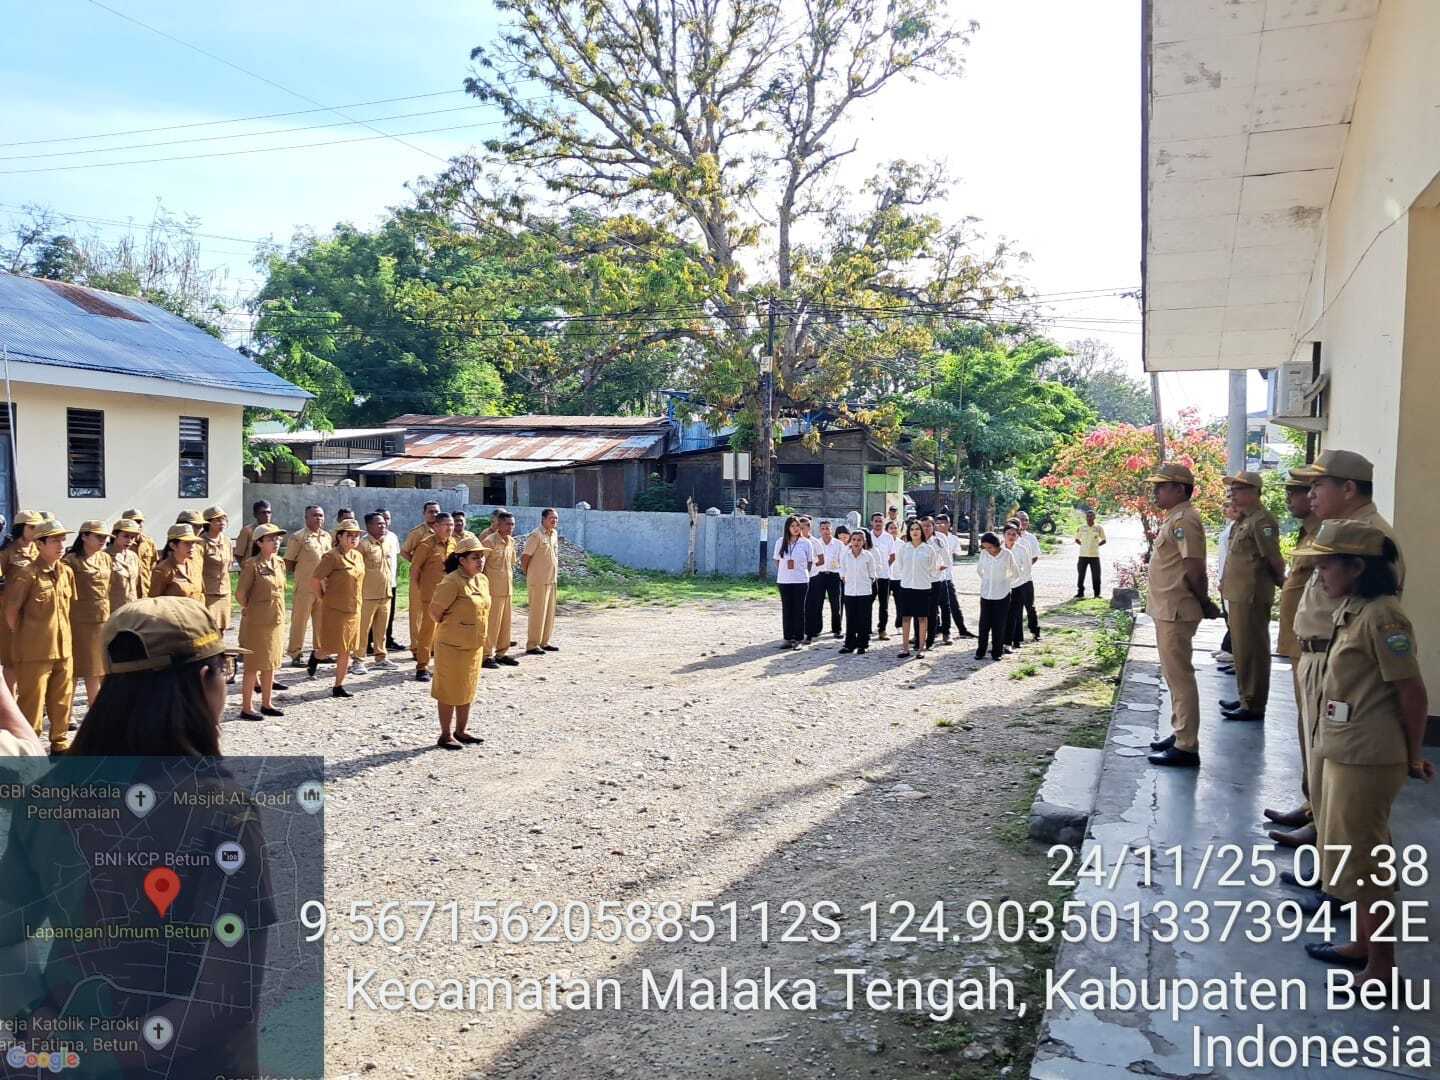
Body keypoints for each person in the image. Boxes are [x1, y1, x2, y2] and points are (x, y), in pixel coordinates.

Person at [0, 598, 273, 1077]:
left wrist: (38, 1027)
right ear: (205, 679)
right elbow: (225, 999)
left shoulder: (48, 795)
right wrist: (100, 1057)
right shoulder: (224, 813)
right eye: (224, 670)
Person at [1290, 520, 1432, 988]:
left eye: (1328, 564)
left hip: (1368, 755)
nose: (1320, 573)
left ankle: (1382, 968)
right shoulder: (1353, 608)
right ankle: (1362, 943)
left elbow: (1412, 693)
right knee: (1352, 855)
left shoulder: (1384, 617)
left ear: (1357, 567)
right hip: (1344, 746)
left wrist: (1412, 756)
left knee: (1367, 862)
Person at [1271, 449, 1406, 851]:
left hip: (1341, 663)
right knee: (1320, 758)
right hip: (1317, 658)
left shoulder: (1371, 538)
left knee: (1347, 784)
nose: (1310, 494)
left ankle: (1344, 865)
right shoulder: (1337, 529)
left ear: (1348, 489)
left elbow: (1378, 608)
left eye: (1319, 485)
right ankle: (1320, 829)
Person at [1263, 475, 1326, 834]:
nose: (1293, 498)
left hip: (1318, 649)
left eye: (1297, 492)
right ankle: (1311, 804)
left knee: (1317, 732)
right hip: (1302, 646)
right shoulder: (1311, 532)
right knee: (1307, 729)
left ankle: (1320, 815)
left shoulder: (1332, 534)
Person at [1143, 463, 1212, 769]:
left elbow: (1195, 569)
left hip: (1177, 608)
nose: (1156, 492)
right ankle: (1180, 731)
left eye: (1162, 486)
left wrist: (1204, 601)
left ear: (1180, 489)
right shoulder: (1174, 518)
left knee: (1180, 676)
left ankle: (1186, 745)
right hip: (1168, 608)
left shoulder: (1185, 520)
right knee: (1173, 676)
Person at [1217, 472, 1286, 723]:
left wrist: (1281, 583)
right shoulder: (1244, 520)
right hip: (1238, 593)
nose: (1232, 494)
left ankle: (1254, 703)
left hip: (1252, 594)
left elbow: (1273, 558)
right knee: (1241, 649)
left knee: (1253, 650)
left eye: (1238, 490)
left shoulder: (1261, 521)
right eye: (1232, 490)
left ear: (1254, 492)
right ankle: (1246, 696)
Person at [4, 519, 76, 752]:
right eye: (55, 541)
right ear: (40, 544)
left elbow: (68, 608)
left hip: (63, 648)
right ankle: (30, 747)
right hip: (34, 651)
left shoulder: (66, 572)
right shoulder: (27, 574)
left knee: (62, 699)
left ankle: (60, 743)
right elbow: (11, 612)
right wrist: (26, 638)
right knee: (32, 703)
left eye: (63, 540)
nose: (61, 545)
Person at [429, 534, 491, 749]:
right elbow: (435, 612)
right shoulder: (452, 581)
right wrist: (456, 626)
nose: (480, 561)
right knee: (449, 689)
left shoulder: (482, 580)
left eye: (482, 557)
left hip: (473, 644)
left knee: (467, 687)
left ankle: (461, 731)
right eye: (475, 557)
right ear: (462, 560)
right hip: (452, 645)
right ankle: (445, 735)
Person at [235, 522, 288, 720]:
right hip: (257, 622)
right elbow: (240, 594)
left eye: (277, 538)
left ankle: (267, 703)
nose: (276, 542)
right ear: (259, 543)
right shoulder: (252, 565)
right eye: (271, 539)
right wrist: (252, 608)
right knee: (253, 665)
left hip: (276, 619)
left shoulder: (279, 562)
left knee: (271, 663)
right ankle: (247, 707)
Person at [310, 520, 364, 696]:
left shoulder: (358, 556)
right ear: (339, 536)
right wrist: (322, 597)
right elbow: (315, 580)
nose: (354, 538)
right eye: (350, 535)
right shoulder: (331, 557)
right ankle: (316, 656)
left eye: (356, 535)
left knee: (346, 649)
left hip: (354, 608)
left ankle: (338, 686)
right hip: (335, 609)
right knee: (331, 647)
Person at [63, 520, 113, 709]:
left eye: (105, 537)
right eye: (98, 536)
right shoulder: (70, 561)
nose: (103, 540)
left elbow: (107, 588)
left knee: (100, 668)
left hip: (103, 619)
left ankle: (98, 710)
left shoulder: (105, 558)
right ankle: (84, 713)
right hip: (79, 621)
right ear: (84, 536)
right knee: (82, 670)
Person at [0, 510, 43, 693]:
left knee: (34, 659)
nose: (36, 530)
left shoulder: (40, 549)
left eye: (39, 527)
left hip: (36, 612)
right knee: (11, 660)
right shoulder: (7, 552)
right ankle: (12, 701)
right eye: (32, 527)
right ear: (20, 528)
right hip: (11, 612)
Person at [284, 505, 333, 668]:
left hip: (323, 587)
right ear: (306, 518)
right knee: (300, 621)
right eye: (314, 515)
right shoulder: (298, 537)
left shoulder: (327, 536)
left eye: (321, 515)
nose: (318, 518)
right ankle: (295, 653)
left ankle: (320, 652)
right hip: (305, 586)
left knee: (322, 621)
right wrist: (302, 575)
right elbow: (289, 562)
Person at [410, 514, 456, 681]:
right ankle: (422, 666)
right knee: (428, 631)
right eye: (446, 525)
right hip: (431, 595)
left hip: (449, 595)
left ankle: (441, 665)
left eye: (451, 525)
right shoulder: (426, 545)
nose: (450, 528)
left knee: (446, 631)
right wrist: (419, 589)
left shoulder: (453, 543)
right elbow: (415, 569)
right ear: (436, 526)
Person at [358, 513, 398, 671]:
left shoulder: (387, 542)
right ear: (369, 526)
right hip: (367, 595)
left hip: (385, 593)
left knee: (382, 629)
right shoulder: (362, 545)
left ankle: (381, 657)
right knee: (363, 629)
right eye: (379, 524)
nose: (383, 526)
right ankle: (358, 659)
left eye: (384, 523)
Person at [895, 519, 939, 660]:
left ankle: (921, 648)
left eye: (917, 529)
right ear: (909, 532)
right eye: (912, 529)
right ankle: (905, 648)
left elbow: (933, 569)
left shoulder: (929, 549)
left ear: (922, 531)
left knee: (922, 618)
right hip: (906, 587)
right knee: (906, 618)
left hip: (923, 587)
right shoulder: (904, 548)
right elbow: (900, 566)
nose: (915, 531)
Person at [481, 510, 519, 669]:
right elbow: (480, 565)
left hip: (507, 589)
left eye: (513, 524)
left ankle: (501, 653)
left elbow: (511, 563)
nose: (511, 527)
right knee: (492, 624)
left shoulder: (511, 542)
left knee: (505, 624)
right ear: (499, 524)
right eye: (508, 524)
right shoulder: (489, 541)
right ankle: (486, 655)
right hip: (493, 590)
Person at [401, 501, 442, 648]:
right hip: (419, 578)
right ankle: (416, 646)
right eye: (431, 511)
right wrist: (419, 563)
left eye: (436, 511)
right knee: (417, 611)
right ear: (424, 513)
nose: (434, 514)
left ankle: (432, 645)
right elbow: (404, 551)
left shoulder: (442, 531)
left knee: (435, 610)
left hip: (436, 579)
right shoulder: (417, 532)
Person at [522, 508, 561, 656]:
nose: (554, 520)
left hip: (551, 579)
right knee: (537, 613)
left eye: (556, 518)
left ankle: (544, 642)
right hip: (538, 580)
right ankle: (532, 644)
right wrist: (530, 573)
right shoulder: (536, 535)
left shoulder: (554, 534)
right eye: (551, 518)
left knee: (549, 613)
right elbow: (525, 557)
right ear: (543, 519)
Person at [200, 507, 235, 671]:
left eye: (223, 519)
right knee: (207, 630)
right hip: (208, 592)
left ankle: (218, 661)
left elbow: (229, 564)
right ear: (208, 523)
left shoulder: (226, 541)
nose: (221, 523)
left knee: (221, 629)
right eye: (217, 520)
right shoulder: (201, 542)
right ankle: (205, 660)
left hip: (224, 591)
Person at [975, 530, 1018, 661]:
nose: (988, 550)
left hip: (1002, 595)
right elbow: (979, 570)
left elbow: (1015, 573)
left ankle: (997, 652)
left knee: (999, 625)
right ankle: (980, 651)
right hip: (986, 594)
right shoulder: (984, 554)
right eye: (985, 547)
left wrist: (1004, 582)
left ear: (996, 544)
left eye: (990, 547)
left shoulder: (1007, 554)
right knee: (984, 625)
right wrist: (987, 580)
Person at [933, 514, 974, 641]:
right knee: (933, 606)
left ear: (949, 524)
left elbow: (956, 553)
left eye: (943, 523)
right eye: (938, 523)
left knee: (952, 604)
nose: (941, 525)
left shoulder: (953, 538)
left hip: (947, 576)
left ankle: (961, 629)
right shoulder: (932, 538)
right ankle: (935, 629)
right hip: (934, 577)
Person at [773, 516, 811, 649]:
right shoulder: (780, 542)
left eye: (797, 526)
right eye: (792, 526)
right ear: (787, 528)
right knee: (787, 609)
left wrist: (800, 572)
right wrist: (785, 572)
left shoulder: (806, 543)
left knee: (799, 609)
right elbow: (777, 560)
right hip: (784, 580)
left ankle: (799, 639)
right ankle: (787, 638)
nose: (795, 528)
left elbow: (810, 562)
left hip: (801, 580)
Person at [838, 527, 877, 654]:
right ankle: (849, 644)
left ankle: (862, 644)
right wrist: (843, 577)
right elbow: (842, 569)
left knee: (863, 618)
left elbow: (872, 573)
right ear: (850, 541)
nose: (856, 542)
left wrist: (867, 582)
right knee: (850, 618)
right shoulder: (846, 555)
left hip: (864, 592)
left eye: (859, 540)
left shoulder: (868, 556)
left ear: (864, 541)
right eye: (854, 539)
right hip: (849, 591)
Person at [806, 519, 844, 641]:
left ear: (831, 529)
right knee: (818, 603)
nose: (825, 531)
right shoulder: (816, 543)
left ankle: (837, 629)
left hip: (834, 575)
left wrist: (841, 574)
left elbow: (843, 561)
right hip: (819, 575)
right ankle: (817, 629)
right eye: (823, 528)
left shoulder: (838, 544)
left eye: (827, 528)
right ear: (819, 530)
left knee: (836, 604)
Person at [1214, 498, 1240, 671]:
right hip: (1225, 577)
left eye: (1228, 506)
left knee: (1235, 618)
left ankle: (1233, 651)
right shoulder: (1231, 526)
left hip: (1232, 579)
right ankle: (1229, 648)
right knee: (1229, 615)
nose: (1225, 509)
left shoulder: (1239, 527)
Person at [149, 523, 203, 599]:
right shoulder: (162, 570)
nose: (192, 546)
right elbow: (154, 600)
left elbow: (201, 594)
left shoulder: (194, 566)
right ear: (173, 546)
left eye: (193, 542)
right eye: (186, 543)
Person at [377, 508, 404, 652]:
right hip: (375, 584)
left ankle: (388, 639)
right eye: (382, 519)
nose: (385, 522)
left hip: (391, 582)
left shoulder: (393, 537)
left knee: (389, 613)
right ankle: (369, 643)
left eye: (387, 518)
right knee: (373, 615)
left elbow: (396, 557)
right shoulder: (366, 540)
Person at [1014, 512, 1042, 641]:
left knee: (1030, 606)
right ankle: (1017, 637)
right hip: (1012, 580)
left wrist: (1026, 567)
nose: (1024, 522)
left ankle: (1035, 631)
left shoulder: (1031, 538)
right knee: (1015, 608)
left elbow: (1035, 556)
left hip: (1026, 578)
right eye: (1021, 519)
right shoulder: (1010, 536)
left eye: (1026, 520)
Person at [1003, 522, 1031, 651]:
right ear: (1003, 535)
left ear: (1017, 536)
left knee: (1014, 614)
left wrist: (1018, 581)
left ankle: (1009, 642)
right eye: (1008, 534)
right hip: (1001, 586)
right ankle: (1001, 640)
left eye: (1014, 534)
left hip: (1017, 585)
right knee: (1002, 614)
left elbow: (1027, 569)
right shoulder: (999, 549)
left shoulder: (1022, 550)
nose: (1011, 536)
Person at [867, 513, 895, 640]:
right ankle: (866, 629)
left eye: (880, 521)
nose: (878, 523)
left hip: (884, 576)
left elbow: (892, 556)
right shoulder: (867, 536)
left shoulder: (888, 537)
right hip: (869, 577)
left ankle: (882, 630)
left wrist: (884, 567)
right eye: (876, 521)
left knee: (884, 605)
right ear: (871, 522)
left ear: (883, 522)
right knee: (867, 603)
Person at [107, 518, 142, 611]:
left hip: (132, 608)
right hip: (113, 609)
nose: (129, 540)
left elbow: (136, 583)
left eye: (132, 537)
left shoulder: (133, 556)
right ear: (115, 535)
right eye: (126, 536)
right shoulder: (105, 556)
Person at [124, 507, 158, 596]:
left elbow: (153, 565)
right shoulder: (120, 543)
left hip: (146, 591)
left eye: (139, 522)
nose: (137, 525)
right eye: (133, 522)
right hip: (128, 593)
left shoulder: (149, 542)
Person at [1073, 509, 1106, 599]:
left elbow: (1104, 540)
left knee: (1096, 576)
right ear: (1086, 518)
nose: (1089, 518)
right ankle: (1080, 592)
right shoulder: (1081, 527)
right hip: (1083, 555)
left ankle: (1097, 594)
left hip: (1094, 556)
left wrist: (1096, 545)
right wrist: (1083, 545)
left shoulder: (1099, 528)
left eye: (1091, 516)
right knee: (1081, 575)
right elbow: (1077, 539)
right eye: (1088, 516)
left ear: (1094, 517)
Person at [234, 500, 273, 570]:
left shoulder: (274, 530)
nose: (267, 515)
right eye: (263, 512)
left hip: (269, 569)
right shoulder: (247, 530)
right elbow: (238, 554)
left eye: (269, 512)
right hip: (251, 569)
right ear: (255, 515)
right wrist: (246, 568)